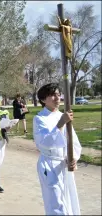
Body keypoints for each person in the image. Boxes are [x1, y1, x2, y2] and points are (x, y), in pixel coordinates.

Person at [33, 83, 82, 215]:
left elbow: (73, 141)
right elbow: (45, 142)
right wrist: (61, 123)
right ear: (43, 100)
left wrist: (72, 158)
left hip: (63, 164)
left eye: (58, 94)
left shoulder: (63, 115)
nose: (57, 98)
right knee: (55, 202)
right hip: (49, 165)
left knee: (68, 199)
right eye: (53, 95)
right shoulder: (39, 119)